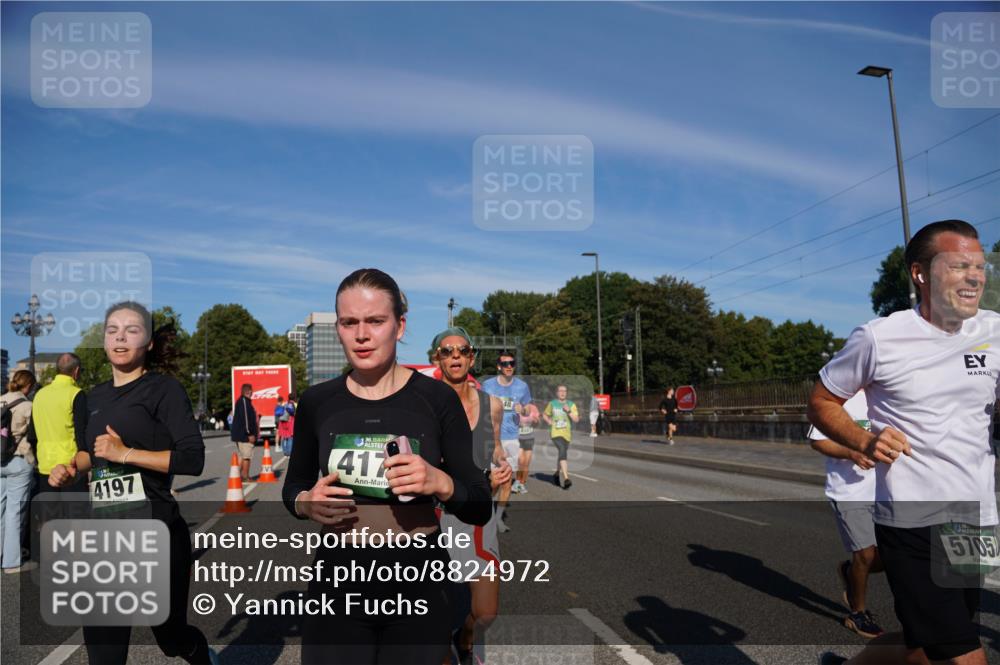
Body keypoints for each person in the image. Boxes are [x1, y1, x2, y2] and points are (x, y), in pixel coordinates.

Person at [810, 220, 999, 665]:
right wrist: (863, 439)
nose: (975, 276)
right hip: (912, 518)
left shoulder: (995, 330)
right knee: (963, 656)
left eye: (980, 265)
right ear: (921, 274)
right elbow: (821, 401)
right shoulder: (880, 337)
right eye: (959, 266)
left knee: (926, 646)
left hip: (974, 515)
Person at [281, 268, 492, 665]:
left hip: (418, 582)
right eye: (349, 323)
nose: (361, 335)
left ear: (399, 326)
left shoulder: (436, 400)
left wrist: (440, 482)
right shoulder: (317, 402)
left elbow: (481, 503)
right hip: (337, 580)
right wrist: (306, 503)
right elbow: (292, 487)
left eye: (375, 321)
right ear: (339, 329)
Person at [48, 301, 218, 665]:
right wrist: (69, 467)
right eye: (113, 330)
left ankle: (199, 654)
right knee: (104, 652)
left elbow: (193, 458)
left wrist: (125, 453)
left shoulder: (163, 389)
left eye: (132, 330)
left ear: (150, 343)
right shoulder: (91, 397)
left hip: (156, 531)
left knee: (171, 639)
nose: (120, 337)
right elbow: (90, 454)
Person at [430, 326, 512, 665]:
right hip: (435, 514)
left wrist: (502, 468)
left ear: (472, 357)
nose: (455, 357)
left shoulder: (491, 404)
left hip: (479, 512)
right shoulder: (424, 402)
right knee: (434, 612)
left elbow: (495, 450)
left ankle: (464, 640)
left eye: (462, 350)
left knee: (486, 613)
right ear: (437, 359)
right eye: (447, 351)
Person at [807, 389, 884, 639]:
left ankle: (850, 572)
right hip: (849, 491)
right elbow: (817, 440)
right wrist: (852, 452)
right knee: (865, 553)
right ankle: (858, 613)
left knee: (890, 557)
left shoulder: (886, 396)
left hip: (885, 490)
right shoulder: (838, 401)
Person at [26, 353, 87, 493]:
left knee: (50, 513)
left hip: (45, 465)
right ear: (76, 371)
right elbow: (81, 433)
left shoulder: (39, 395)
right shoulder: (76, 393)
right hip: (71, 467)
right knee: (75, 513)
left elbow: (32, 435)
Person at [481, 352, 532, 505]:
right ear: (499, 366)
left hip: (512, 439)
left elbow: (528, 408)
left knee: (507, 481)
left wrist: (522, 410)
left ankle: (499, 518)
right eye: (505, 364)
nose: (509, 366)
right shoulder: (488, 385)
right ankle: (488, 510)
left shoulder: (522, 386)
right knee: (494, 480)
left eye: (512, 363)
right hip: (492, 438)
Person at [1, 369, 37, 573]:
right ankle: (12, 562)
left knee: (0, 510)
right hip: (19, 460)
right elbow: (34, 434)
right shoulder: (27, 405)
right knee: (16, 511)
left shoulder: (1, 400)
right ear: (29, 386)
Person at [544, 385, 579, 489]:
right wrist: (549, 421)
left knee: (561, 454)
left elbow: (576, 419)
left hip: (566, 434)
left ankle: (556, 474)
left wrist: (568, 411)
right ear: (557, 393)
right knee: (562, 450)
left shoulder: (571, 404)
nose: (563, 393)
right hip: (555, 433)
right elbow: (545, 414)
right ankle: (566, 478)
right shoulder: (552, 404)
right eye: (560, 391)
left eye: (565, 391)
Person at [231, 382, 258, 482]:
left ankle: (236, 476)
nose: (252, 392)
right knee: (247, 456)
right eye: (251, 390)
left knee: (242, 456)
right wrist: (250, 434)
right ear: (248, 391)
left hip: (241, 434)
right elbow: (246, 419)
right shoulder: (244, 401)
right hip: (244, 435)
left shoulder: (243, 401)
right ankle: (245, 476)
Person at [515, 401, 540, 495]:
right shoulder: (516, 406)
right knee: (520, 462)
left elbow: (537, 423)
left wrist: (536, 421)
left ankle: (521, 483)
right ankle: (517, 481)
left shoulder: (533, 408)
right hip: (518, 439)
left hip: (529, 439)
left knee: (526, 464)